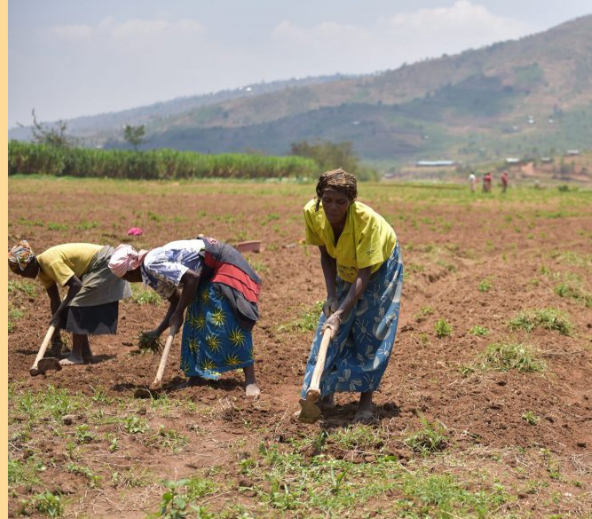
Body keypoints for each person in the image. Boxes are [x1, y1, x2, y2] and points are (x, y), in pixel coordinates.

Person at [298, 169, 403, 425]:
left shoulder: (366, 222)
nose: (333, 207)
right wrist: (332, 296)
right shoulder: (312, 212)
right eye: (327, 200)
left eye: (340, 202)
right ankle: (322, 395)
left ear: (351, 201)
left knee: (370, 330)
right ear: (319, 197)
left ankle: (365, 403)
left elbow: (363, 274)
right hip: (344, 264)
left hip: (379, 268)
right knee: (331, 332)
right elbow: (325, 254)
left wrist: (340, 312)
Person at [108, 237, 262, 398]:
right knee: (194, 318)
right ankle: (196, 376)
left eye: (126, 278)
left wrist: (179, 311)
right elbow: (176, 301)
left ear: (132, 270)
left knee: (226, 318)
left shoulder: (151, 263)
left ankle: (250, 380)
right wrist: (158, 331)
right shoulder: (150, 274)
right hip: (203, 274)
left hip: (221, 262)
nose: (130, 282)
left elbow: (192, 279)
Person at [8, 240, 131, 366]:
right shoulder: (42, 272)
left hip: (104, 262)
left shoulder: (49, 261)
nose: (22, 277)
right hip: (96, 265)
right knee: (74, 303)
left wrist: (60, 312)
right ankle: (85, 353)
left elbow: (76, 285)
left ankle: (76, 356)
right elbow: (55, 301)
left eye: (21, 273)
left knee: (76, 304)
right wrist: (56, 336)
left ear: (29, 265)